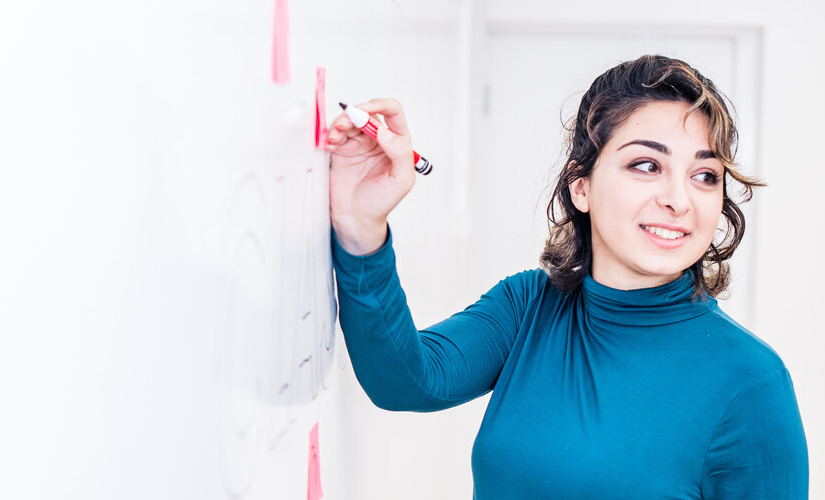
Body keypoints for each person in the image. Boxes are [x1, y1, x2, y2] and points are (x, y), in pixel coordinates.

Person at [324, 55, 809, 498]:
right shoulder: (529, 306)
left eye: (704, 176)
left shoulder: (751, 383)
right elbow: (406, 381)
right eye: (647, 165)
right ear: (582, 186)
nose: (679, 200)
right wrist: (362, 228)